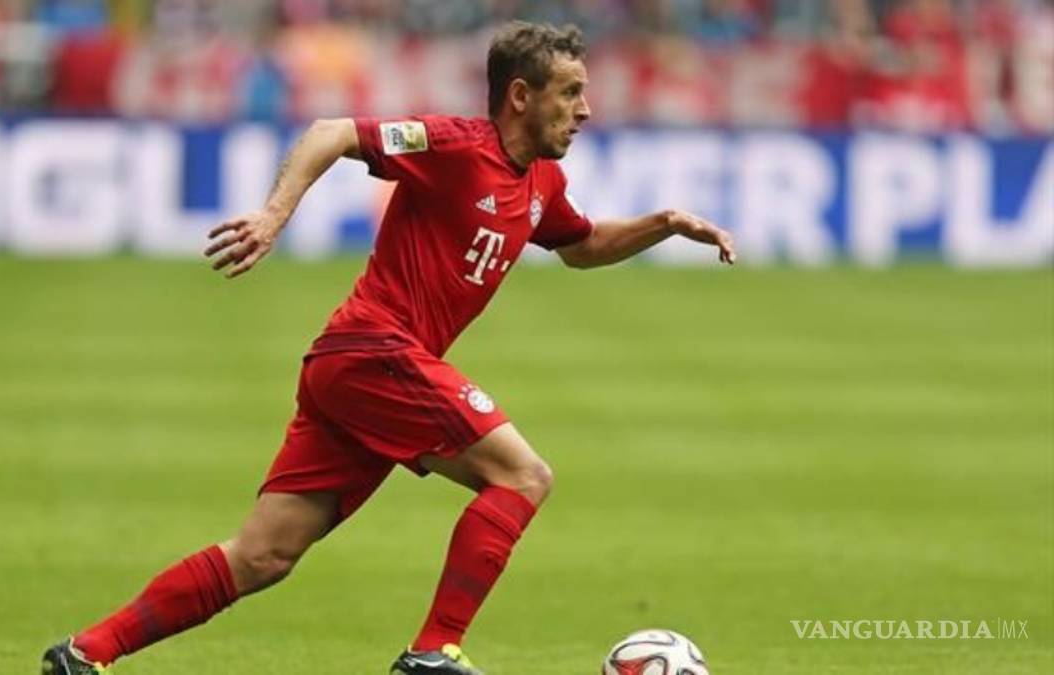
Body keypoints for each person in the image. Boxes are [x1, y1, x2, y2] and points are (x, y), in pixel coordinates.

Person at [41, 20, 735, 675]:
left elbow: (580, 245)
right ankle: (435, 649)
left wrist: (664, 223)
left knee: (263, 555)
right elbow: (332, 132)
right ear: (521, 95)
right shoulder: (456, 146)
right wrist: (274, 216)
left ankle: (85, 652)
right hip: (374, 349)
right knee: (523, 476)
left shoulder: (541, 181)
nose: (585, 110)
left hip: (356, 370)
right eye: (571, 92)